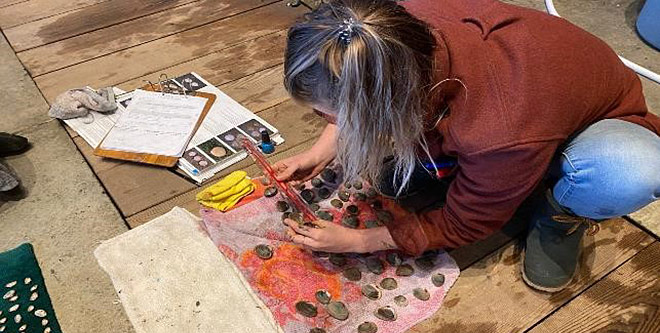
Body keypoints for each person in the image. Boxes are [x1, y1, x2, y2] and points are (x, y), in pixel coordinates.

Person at [274, 0, 660, 292]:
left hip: (593, 125)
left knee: (629, 172)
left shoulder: (498, 130)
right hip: (524, 106)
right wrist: (322, 150)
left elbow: (469, 221)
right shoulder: (381, 27)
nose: (331, 125)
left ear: (386, 107)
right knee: (410, 177)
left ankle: (561, 211)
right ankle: (474, 172)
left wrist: (360, 241)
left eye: (330, 117)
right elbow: (358, 85)